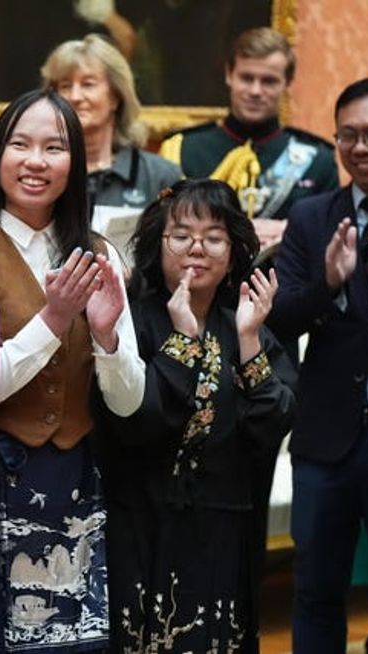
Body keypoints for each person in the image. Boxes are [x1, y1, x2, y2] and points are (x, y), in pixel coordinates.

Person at [0, 89, 146, 653]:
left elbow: (128, 401)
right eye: (20, 144)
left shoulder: (98, 253)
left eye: (54, 148)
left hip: (75, 479)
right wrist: (53, 319)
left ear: (74, 163)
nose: (35, 161)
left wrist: (104, 335)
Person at [99, 179, 296, 652]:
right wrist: (182, 345)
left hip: (223, 529)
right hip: (140, 522)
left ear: (232, 250)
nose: (196, 250)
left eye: (213, 237)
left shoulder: (245, 322)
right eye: (181, 235)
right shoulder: (133, 319)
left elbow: (272, 425)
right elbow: (136, 425)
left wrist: (250, 342)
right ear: (158, 242)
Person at [268, 76, 368, 654]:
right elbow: (281, 319)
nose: (361, 148)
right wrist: (327, 283)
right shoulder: (311, 215)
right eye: (347, 136)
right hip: (326, 438)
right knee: (316, 590)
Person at [159, 27, 338, 247]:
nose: (255, 90)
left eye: (269, 81)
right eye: (246, 78)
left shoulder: (317, 160)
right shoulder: (183, 150)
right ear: (228, 75)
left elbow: (330, 239)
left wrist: (290, 229)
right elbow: (162, 234)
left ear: (287, 83)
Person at [41, 34, 180, 215]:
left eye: (88, 84)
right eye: (66, 86)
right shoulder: (39, 170)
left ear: (115, 96)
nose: (75, 97)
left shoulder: (159, 176)